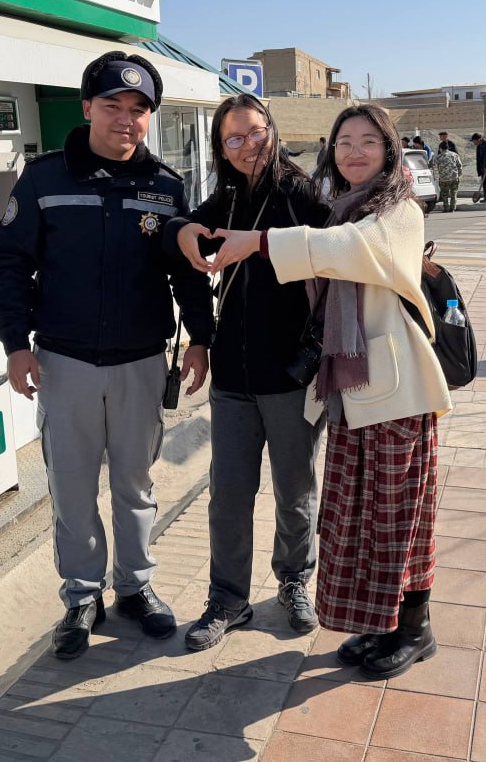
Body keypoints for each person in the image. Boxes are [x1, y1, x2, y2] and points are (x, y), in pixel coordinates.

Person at [207, 103, 451, 681]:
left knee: (400, 518)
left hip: (398, 395)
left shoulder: (398, 210)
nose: (354, 152)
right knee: (364, 519)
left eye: (368, 141)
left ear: (389, 150)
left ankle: (415, 629)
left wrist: (259, 242)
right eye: (344, 142)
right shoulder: (345, 206)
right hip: (354, 391)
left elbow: (346, 248)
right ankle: (385, 625)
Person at [0, 50, 215, 660]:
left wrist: (201, 337)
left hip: (141, 362)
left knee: (135, 484)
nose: (126, 118)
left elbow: (188, 271)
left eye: (139, 109)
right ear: (87, 107)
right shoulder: (44, 180)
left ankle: (135, 587)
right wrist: (14, 344)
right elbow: (10, 263)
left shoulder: (166, 188)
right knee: (71, 488)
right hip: (63, 364)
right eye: (113, 105)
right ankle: (81, 596)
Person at [165, 94, 331, 650]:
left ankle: (294, 581)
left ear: (272, 130)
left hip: (290, 374)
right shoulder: (229, 195)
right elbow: (186, 226)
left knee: (295, 489)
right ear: (220, 147)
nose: (247, 146)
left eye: (256, 132)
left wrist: (259, 248)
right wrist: (183, 232)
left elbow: (333, 250)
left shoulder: (302, 192)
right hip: (233, 377)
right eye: (233, 138)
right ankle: (228, 598)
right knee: (229, 495)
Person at [433, 141, 464, 213]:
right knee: (454, 193)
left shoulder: (438, 157)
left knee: (445, 195)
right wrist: (459, 175)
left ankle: (446, 208)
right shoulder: (455, 155)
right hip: (454, 178)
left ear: (440, 148)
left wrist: (437, 177)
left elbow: (434, 167)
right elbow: (460, 166)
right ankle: (453, 208)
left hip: (444, 179)